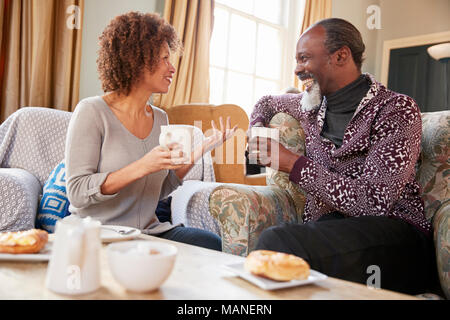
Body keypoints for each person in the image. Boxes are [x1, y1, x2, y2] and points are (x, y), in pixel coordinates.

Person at [247, 18, 438, 294]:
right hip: (333, 231)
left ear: (341, 56)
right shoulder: (308, 106)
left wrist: (292, 163)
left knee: (280, 244)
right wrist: (257, 131)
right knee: (280, 252)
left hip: (396, 236)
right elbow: (266, 102)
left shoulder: (395, 110)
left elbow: (374, 203)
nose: (297, 69)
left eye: (304, 58)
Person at [65, 12, 237, 251]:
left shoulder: (160, 118)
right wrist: (142, 165)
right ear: (137, 60)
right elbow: (77, 192)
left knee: (209, 244)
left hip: (147, 233)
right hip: (98, 232)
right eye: (165, 58)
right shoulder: (92, 111)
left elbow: (161, 189)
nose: (172, 67)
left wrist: (204, 147)